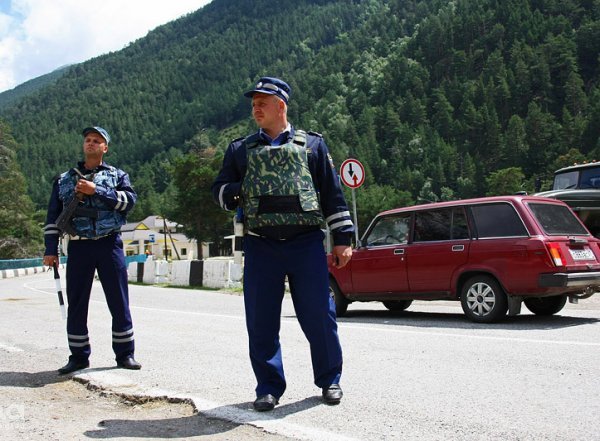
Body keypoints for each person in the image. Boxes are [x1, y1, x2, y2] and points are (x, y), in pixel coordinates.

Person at [211, 77, 354, 411]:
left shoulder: (313, 146)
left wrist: (342, 240)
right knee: (261, 320)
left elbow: (332, 194)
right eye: (253, 104)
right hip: (261, 245)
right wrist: (237, 190)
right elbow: (218, 191)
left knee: (319, 315)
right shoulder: (240, 150)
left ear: (281, 106)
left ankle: (330, 380)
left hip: (305, 244)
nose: (255, 108)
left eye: (263, 102)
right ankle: (268, 387)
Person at [43, 126, 141, 375]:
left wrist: (96, 190)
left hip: (109, 244)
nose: (91, 144)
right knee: (77, 303)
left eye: (97, 141)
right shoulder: (64, 179)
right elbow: (53, 217)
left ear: (105, 148)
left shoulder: (118, 175)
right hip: (79, 246)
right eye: (88, 140)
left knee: (119, 301)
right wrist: (50, 250)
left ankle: (125, 354)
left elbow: (129, 202)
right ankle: (78, 356)